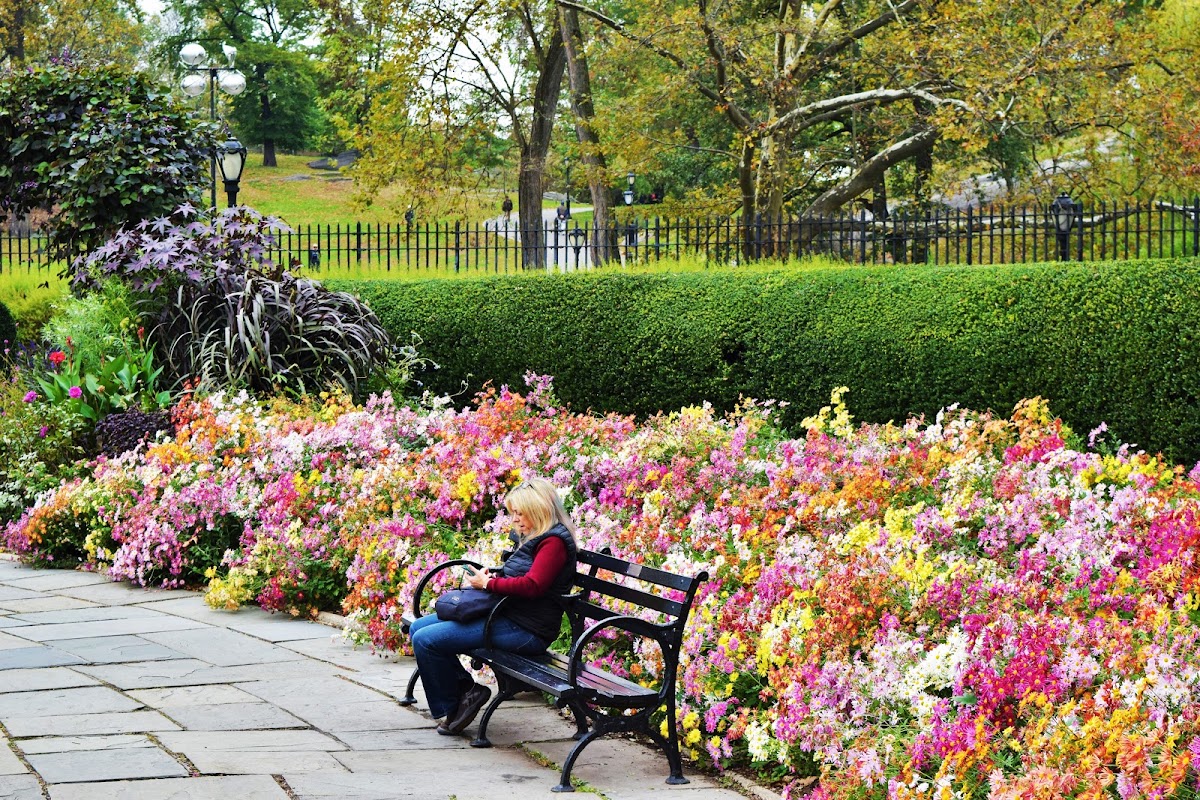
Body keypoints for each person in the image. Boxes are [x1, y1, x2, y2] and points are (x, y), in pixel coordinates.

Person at [409, 478, 578, 735]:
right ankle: (466, 691)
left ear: (539, 510)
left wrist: (489, 584)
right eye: (513, 513)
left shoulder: (552, 543)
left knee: (427, 640)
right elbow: (521, 578)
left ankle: (458, 702)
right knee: (418, 629)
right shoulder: (538, 536)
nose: (515, 520)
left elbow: (533, 586)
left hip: (527, 630)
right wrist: (492, 580)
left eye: (520, 513)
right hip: (508, 616)